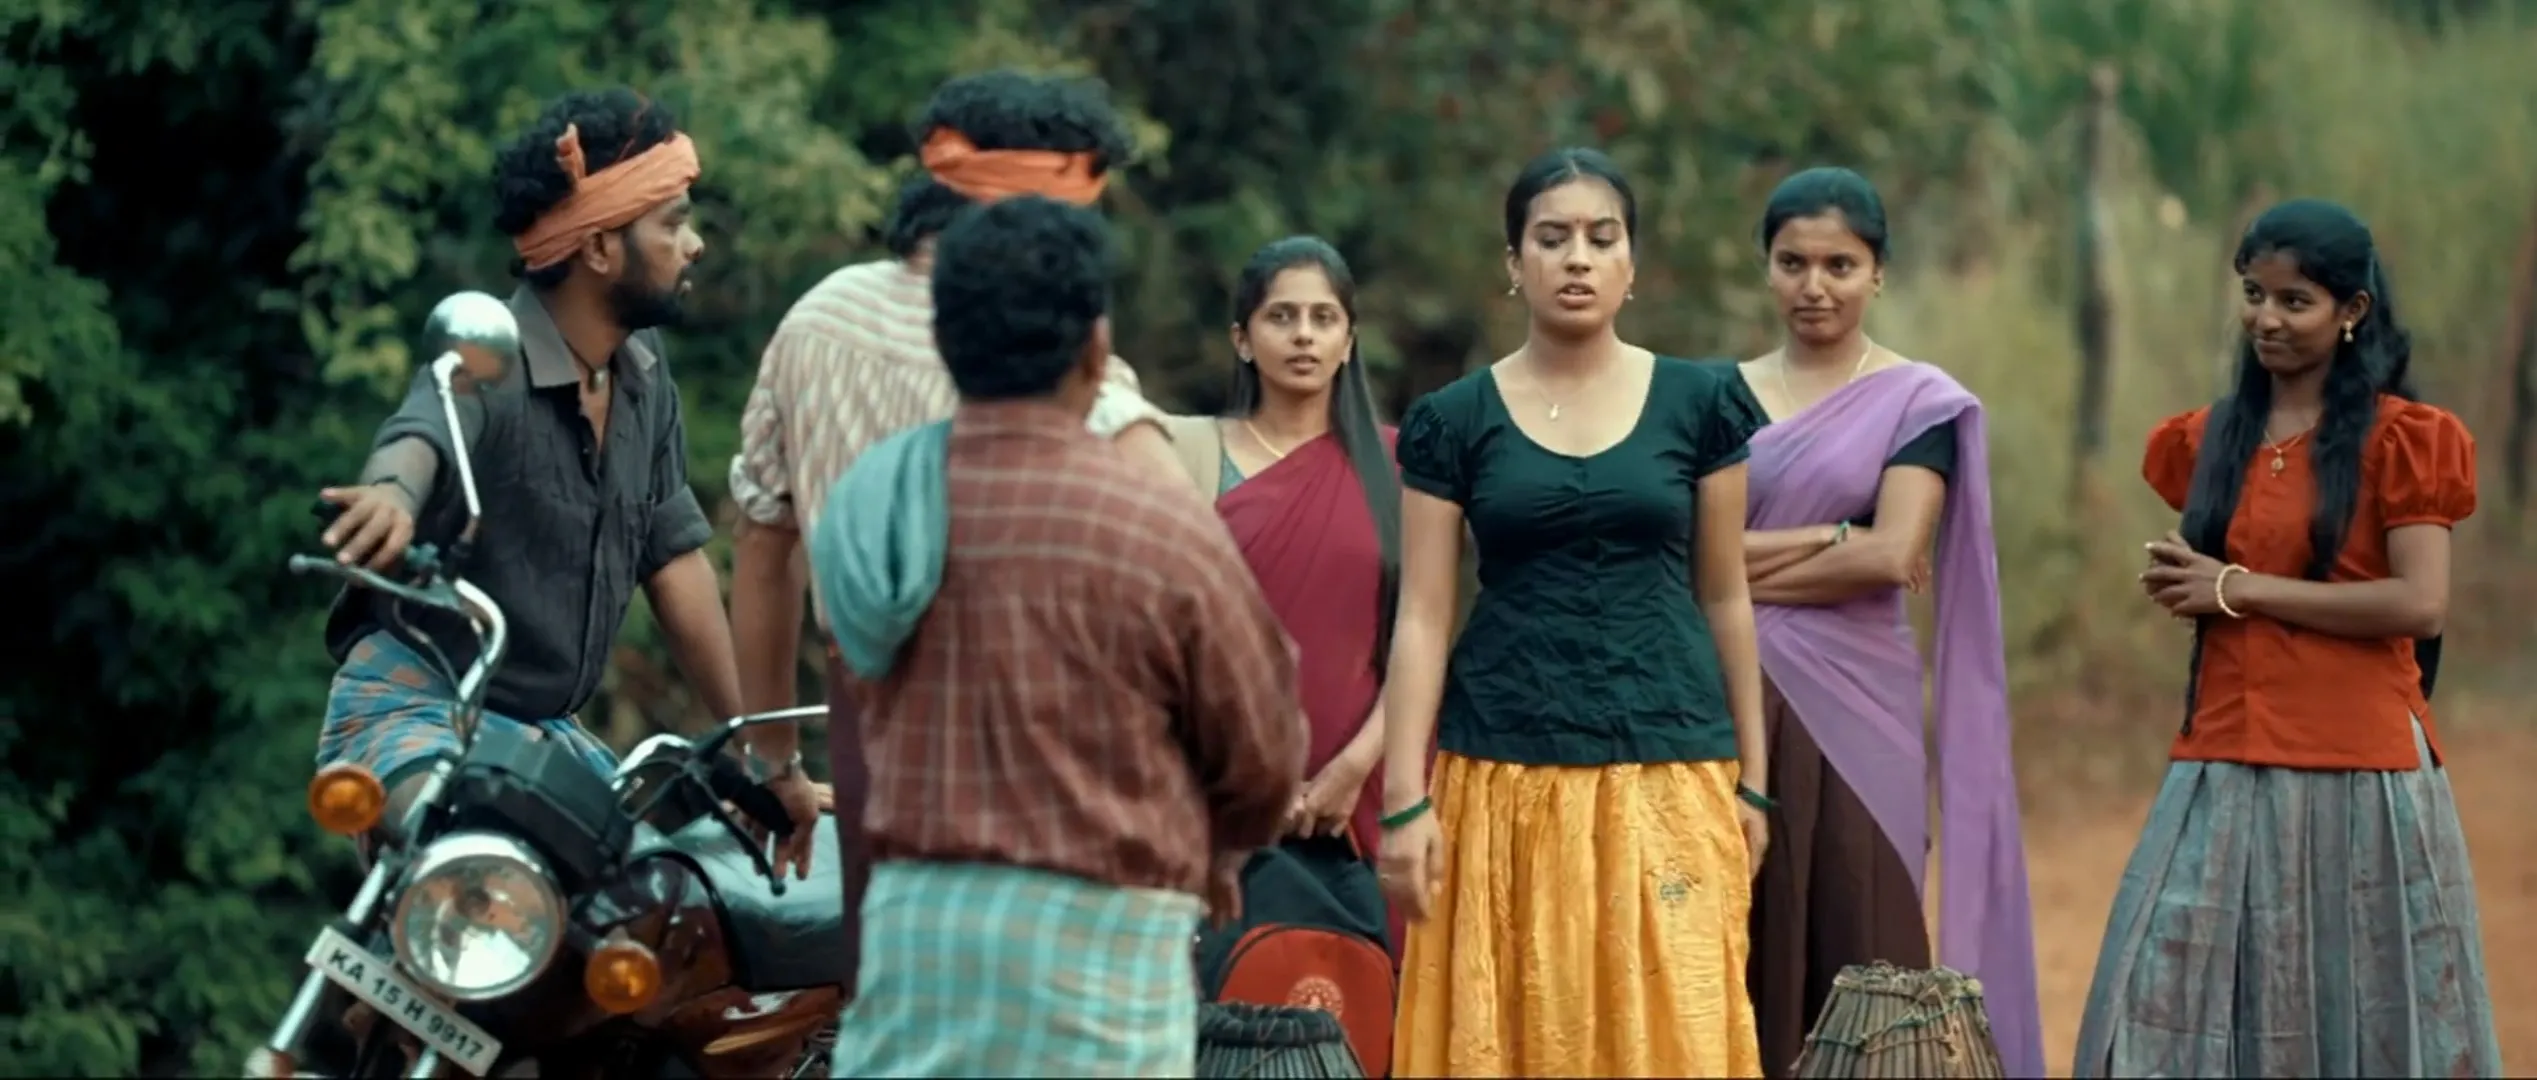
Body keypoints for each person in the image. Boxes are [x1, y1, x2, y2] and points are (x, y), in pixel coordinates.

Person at [814, 194, 1310, 1078]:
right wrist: (1222, 846)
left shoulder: (879, 499)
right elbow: (1263, 750)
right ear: (1094, 349)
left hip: (916, 934)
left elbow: (854, 671)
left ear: (946, 343)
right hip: (1103, 956)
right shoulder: (1158, 522)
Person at [312, 87, 818, 869]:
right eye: (673, 224)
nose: (694, 246)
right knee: (479, 868)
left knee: (654, 912)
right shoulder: (493, 350)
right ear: (599, 249)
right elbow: (425, 428)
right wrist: (391, 494)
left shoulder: (642, 374)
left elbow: (674, 561)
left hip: (539, 742)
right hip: (415, 713)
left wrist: (763, 757)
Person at [2074, 199, 2499, 1077]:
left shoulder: (2406, 440)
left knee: (2363, 1020)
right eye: (2253, 294)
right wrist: (2187, 584)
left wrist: (2235, 589)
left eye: (2294, 301)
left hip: (2359, 773)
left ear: (2351, 310)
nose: (2265, 318)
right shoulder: (2206, 440)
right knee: (2156, 1009)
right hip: (2220, 757)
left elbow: (2420, 603)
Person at [1377, 147, 1769, 1078]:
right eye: (1551, 239)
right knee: (1516, 1021)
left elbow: (1725, 594)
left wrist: (1754, 781)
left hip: (1669, 760)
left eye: (1602, 237)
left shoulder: (1701, 403)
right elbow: (1423, 615)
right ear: (1514, 263)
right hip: (1501, 768)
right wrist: (1401, 800)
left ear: (1632, 262)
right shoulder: (1453, 420)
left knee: (1674, 1025)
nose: (1578, 258)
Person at [1722, 167, 2041, 1078]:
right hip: (1731, 701)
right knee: (1738, 939)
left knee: (1868, 933)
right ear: (1766, 268)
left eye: (1839, 265)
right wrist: (1830, 533)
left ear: (1878, 273)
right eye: (1792, 263)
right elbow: (1685, 556)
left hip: (1864, 712)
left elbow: (1890, 554)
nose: (1814, 286)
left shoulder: (1916, 402)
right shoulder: (1714, 399)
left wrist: (1737, 570)